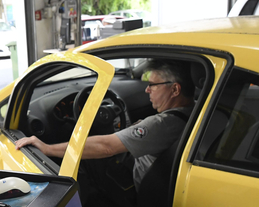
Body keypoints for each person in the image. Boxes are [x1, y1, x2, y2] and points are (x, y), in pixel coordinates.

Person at [15, 59, 196, 192]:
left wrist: (47, 149)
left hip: (144, 193)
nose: (147, 89)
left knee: (91, 172)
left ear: (175, 89)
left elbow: (107, 147)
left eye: (152, 85)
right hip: (165, 182)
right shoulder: (196, 110)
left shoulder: (162, 124)